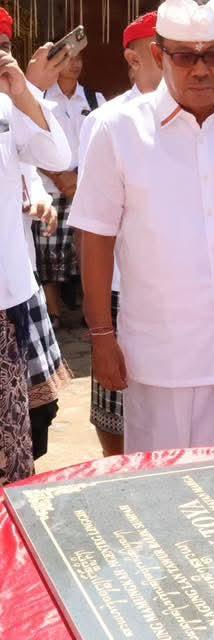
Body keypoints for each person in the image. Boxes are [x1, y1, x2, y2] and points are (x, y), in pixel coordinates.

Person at [68, 0, 214, 453]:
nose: (201, 69)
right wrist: (102, 336)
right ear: (159, 54)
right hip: (155, 356)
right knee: (158, 483)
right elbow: (96, 237)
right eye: (185, 56)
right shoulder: (117, 130)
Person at [74, 11, 162, 457]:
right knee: (115, 403)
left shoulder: (206, 116)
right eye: (158, 51)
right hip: (120, 287)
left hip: (177, 293)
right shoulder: (107, 120)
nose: (169, 60)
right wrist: (100, 327)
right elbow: (92, 223)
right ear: (133, 58)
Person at [0, 40, 71, 484]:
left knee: (16, 444)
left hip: (7, 298)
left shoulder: (7, 109)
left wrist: (24, 92)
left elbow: (56, 157)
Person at [32, 47, 105, 327]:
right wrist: (59, 175)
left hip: (86, 186)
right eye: (67, 59)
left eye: (78, 58)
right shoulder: (40, 98)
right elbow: (31, 143)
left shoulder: (94, 99)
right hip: (50, 186)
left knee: (89, 252)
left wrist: (79, 176)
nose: (75, 64)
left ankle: (91, 311)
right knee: (48, 248)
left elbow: (103, 142)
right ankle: (54, 312)